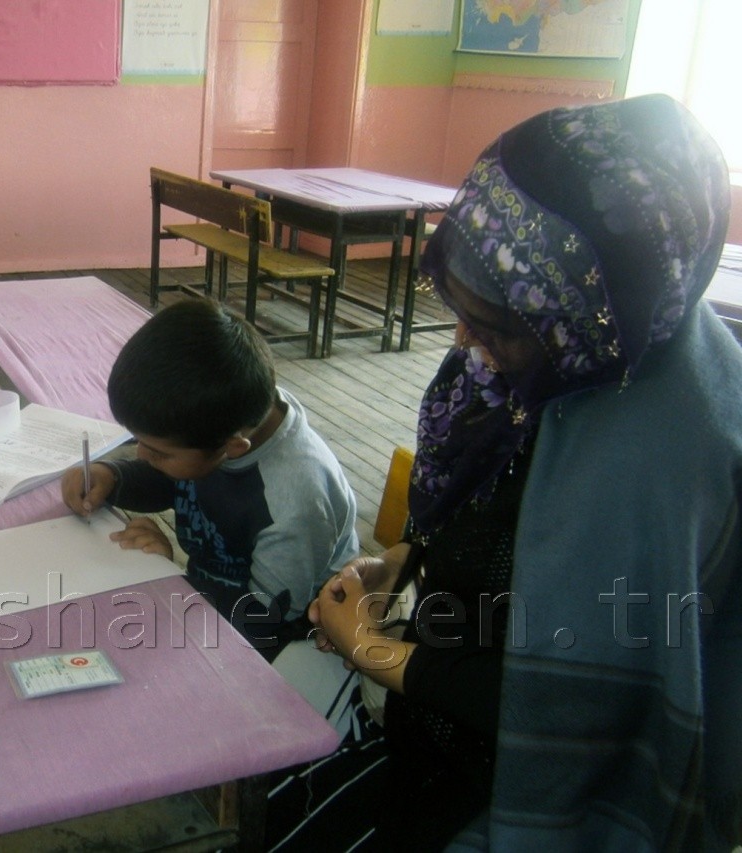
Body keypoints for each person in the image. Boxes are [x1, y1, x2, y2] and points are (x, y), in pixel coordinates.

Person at [271, 94, 742, 851]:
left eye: (491, 325)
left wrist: (372, 648)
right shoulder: (551, 358)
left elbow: (567, 700)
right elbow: (488, 534)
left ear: (586, 306)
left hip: (534, 794)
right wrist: (396, 562)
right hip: (437, 730)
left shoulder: (649, 461)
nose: (463, 340)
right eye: (457, 306)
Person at [61, 298, 359, 658]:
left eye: (156, 451)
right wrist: (111, 477)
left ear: (233, 448)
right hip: (210, 599)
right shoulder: (224, 415)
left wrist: (169, 576)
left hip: (292, 642)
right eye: (139, 443)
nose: (141, 455)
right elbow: (173, 477)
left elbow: (261, 622)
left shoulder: (295, 501)